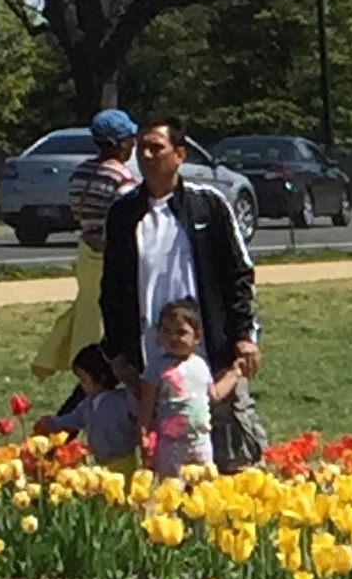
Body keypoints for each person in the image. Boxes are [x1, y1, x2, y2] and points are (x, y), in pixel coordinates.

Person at [98, 117, 262, 472]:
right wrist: (115, 352)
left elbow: (239, 276)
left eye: (156, 147)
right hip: (150, 364)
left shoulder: (209, 206)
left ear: (180, 154)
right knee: (161, 465)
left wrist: (245, 337)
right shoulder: (124, 213)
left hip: (209, 358)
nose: (145, 155)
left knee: (232, 462)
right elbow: (110, 287)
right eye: (140, 147)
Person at [33, 109, 140, 383]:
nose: (134, 144)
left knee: (87, 310)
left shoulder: (80, 173)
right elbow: (130, 217)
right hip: (108, 253)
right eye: (131, 138)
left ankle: (66, 357)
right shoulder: (120, 178)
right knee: (106, 314)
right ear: (120, 143)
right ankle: (98, 364)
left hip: (86, 249)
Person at [139, 299, 242, 480]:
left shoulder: (200, 365)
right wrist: (144, 436)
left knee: (204, 486)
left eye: (181, 332)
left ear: (196, 336)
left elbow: (214, 394)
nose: (173, 338)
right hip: (171, 445)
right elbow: (147, 404)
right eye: (166, 332)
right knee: (172, 488)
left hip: (200, 441)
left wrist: (234, 374)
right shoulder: (156, 367)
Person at [39, 344, 141, 474]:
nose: (81, 385)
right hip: (101, 462)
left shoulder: (122, 400)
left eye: (83, 380)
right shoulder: (87, 404)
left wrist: (125, 376)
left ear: (101, 377)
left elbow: (137, 401)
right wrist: (53, 423)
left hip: (123, 462)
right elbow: (73, 419)